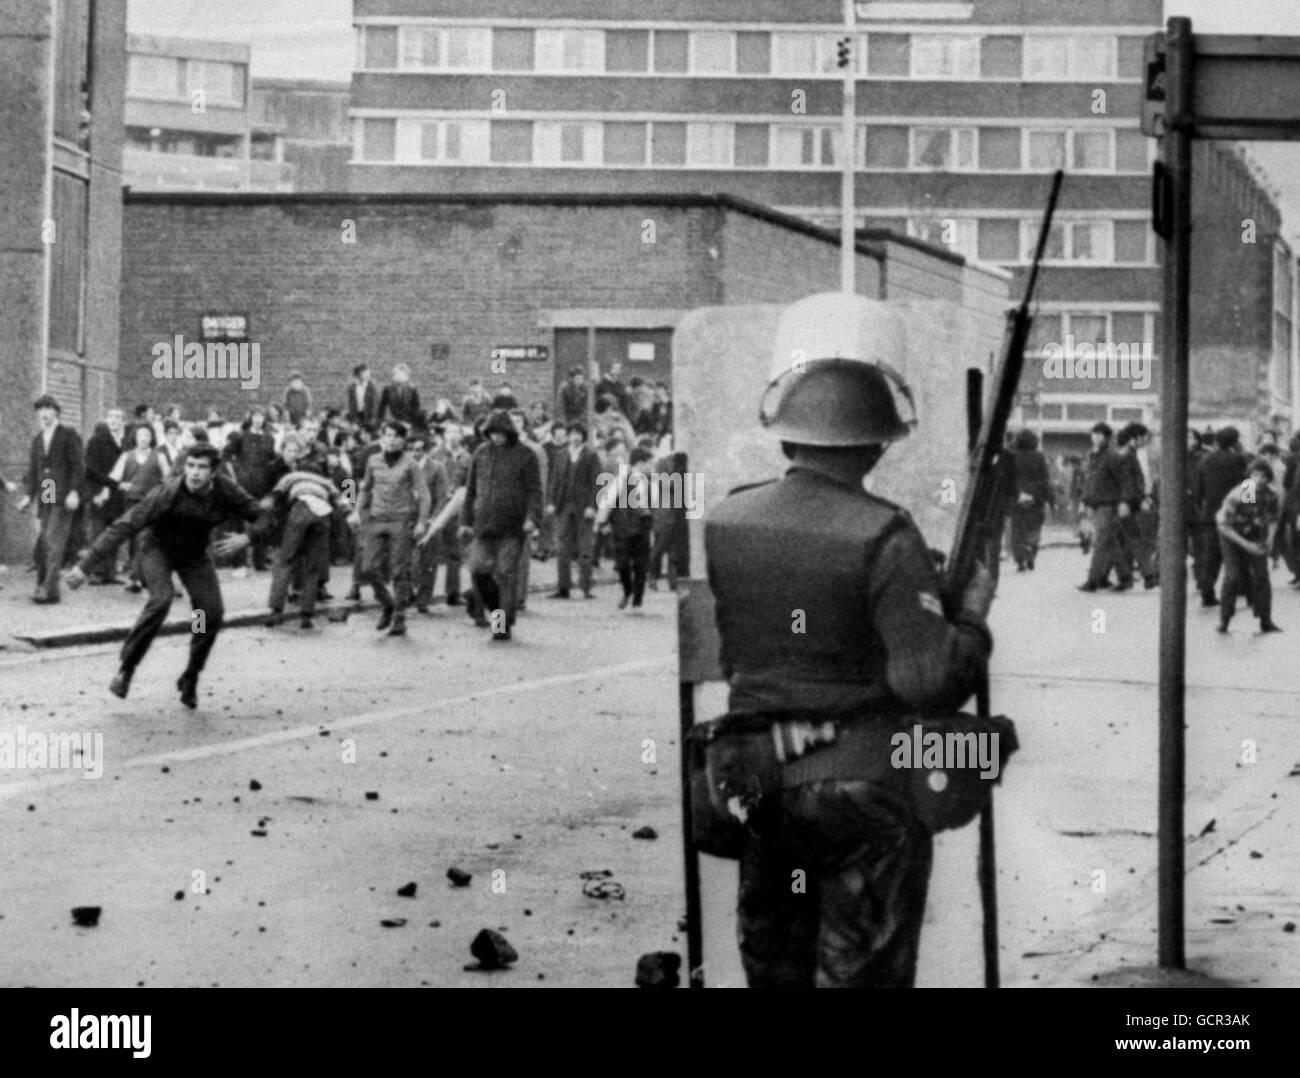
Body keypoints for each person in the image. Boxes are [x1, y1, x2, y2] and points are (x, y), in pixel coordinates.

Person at [703, 292, 994, 988]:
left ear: (785, 433)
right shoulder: (886, 536)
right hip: (862, 791)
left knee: (777, 968)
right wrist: (973, 619)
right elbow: (928, 680)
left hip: (761, 777)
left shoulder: (727, 520)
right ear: (876, 442)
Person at [66, 443, 275, 707]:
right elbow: (125, 525)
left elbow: (265, 517)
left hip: (194, 555)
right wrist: (84, 566)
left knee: (207, 613)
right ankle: (127, 668)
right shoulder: (168, 492)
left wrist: (248, 537)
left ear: (214, 471)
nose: (195, 473)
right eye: (191, 466)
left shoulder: (226, 490)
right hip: (157, 549)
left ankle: (191, 674)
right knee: (161, 599)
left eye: (202, 468)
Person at [459, 409, 543, 641]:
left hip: (513, 525)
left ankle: (501, 625)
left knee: (505, 574)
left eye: (501, 432)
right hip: (483, 523)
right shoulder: (481, 453)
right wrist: (465, 521)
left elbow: (535, 492)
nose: (496, 437)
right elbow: (471, 489)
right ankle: (503, 613)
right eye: (492, 432)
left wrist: (532, 519)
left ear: (510, 432)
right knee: (477, 569)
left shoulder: (526, 455)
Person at [348, 420, 432, 637]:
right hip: (376, 518)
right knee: (367, 569)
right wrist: (356, 511)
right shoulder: (372, 460)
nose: (391, 440)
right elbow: (365, 489)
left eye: (396, 436)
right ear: (382, 438)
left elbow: (424, 495)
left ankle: (399, 617)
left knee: (399, 570)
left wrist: (422, 521)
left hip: (400, 520)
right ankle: (387, 603)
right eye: (387, 435)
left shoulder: (410, 464)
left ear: (403, 440)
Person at [265, 435, 339, 630]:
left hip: (298, 513)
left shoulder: (292, 475)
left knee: (285, 561)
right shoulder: (328, 479)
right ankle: (307, 615)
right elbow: (344, 499)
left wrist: (267, 510)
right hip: (323, 514)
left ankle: (276, 612)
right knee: (312, 567)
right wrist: (348, 519)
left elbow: (275, 495)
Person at [16, 395, 84, 604]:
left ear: (56, 411)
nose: (43, 413)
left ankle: (50, 591)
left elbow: (78, 466)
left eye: (47, 409)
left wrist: (74, 492)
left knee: (54, 542)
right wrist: (28, 496)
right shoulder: (38, 439)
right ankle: (42, 585)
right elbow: (35, 471)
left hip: (63, 493)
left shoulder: (67, 434)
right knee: (45, 541)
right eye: (40, 410)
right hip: (47, 491)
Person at [1216, 458, 1281, 634]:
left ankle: (1265, 619)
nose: (1259, 479)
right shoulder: (1243, 492)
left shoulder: (1271, 494)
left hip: (1254, 533)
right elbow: (1224, 525)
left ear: (1269, 477)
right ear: (1249, 476)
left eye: (1263, 476)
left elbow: (1274, 518)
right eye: (1255, 475)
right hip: (1231, 534)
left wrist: (1270, 540)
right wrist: (1246, 545)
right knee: (1233, 575)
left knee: (1262, 575)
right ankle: (1225, 618)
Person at [109, 422, 167, 592]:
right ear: (135, 437)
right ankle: (136, 577)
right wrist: (121, 485)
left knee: (147, 538)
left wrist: (161, 489)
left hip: (151, 503)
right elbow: (113, 477)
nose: (144, 439)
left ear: (152, 438)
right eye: (141, 435)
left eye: (147, 435)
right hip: (132, 503)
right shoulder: (126, 456)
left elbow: (168, 477)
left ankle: (141, 577)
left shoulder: (159, 456)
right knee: (134, 539)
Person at [1194, 426, 1247, 607]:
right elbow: (1246, 486)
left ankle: (1206, 590)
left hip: (1209, 513)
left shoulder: (1205, 460)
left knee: (1211, 555)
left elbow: (1198, 490)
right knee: (1236, 552)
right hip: (1233, 513)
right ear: (1235, 441)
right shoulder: (1239, 460)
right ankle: (1241, 589)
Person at [598, 446, 654, 611]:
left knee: (641, 565)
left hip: (643, 526)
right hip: (622, 526)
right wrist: (602, 521)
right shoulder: (622, 479)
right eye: (649, 463)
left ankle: (637, 601)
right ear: (641, 463)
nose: (651, 466)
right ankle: (628, 590)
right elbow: (608, 500)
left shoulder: (651, 481)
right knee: (622, 564)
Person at [1078, 422, 1130, 592]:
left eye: (1100, 434)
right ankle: (1125, 577)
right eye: (1094, 433)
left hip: (1109, 504)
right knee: (1110, 542)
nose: (1096, 437)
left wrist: (1123, 502)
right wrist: (1084, 500)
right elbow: (1089, 481)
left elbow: (1124, 481)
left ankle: (1092, 580)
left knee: (1101, 542)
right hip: (1096, 503)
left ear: (1107, 438)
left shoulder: (1112, 456)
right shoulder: (1092, 456)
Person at [407, 428, 450, 614]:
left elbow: (442, 496)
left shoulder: (436, 468)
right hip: (405, 518)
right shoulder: (401, 465)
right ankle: (407, 593)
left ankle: (423, 598)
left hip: (429, 519)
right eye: (411, 449)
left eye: (419, 449)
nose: (415, 453)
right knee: (406, 560)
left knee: (427, 560)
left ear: (425, 450)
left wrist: (434, 518)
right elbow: (350, 481)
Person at [84, 408, 129, 584]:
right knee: (98, 532)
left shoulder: (125, 442)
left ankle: (110, 572)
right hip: (100, 492)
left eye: (118, 417)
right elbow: (90, 469)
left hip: (118, 494)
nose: (114, 420)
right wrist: (97, 492)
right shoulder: (97, 441)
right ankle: (96, 571)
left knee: (115, 532)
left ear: (123, 421)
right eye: (111, 417)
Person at [1008, 429, 1052, 571]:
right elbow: (1045, 480)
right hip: (1035, 500)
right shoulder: (1039, 457)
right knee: (1033, 529)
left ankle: (1020, 559)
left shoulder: (1012, 456)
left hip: (1017, 498)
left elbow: (1008, 478)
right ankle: (1031, 553)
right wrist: (1050, 499)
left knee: (1017, 531)